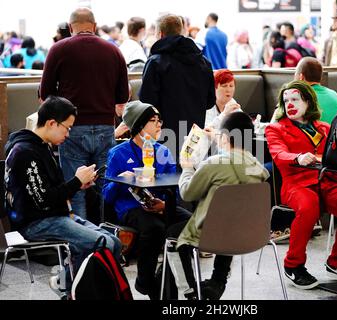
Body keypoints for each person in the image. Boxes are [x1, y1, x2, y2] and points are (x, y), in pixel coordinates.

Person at [4, 96, 121, 299]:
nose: (68, 134)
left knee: (114, 242)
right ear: (51, 123)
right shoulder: (24, 152)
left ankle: (69, 283)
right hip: (37, 222)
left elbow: (53, 191)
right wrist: (75, 182)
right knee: (103, 242)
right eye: (67, 128)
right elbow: (43, 200)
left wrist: (79, 184)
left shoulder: (41, 146)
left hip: (57, 216)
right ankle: (78, 289)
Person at [167, 112, 269, 299]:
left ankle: (190, 291)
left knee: (174, 235)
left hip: (214, 234)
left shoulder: (213, 164)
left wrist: (188, 168)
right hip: (249, 233)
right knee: (230, 217)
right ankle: (218, 281)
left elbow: (187, 193)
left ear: (224, 137)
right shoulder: (258, 168)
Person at [39, 7, 129, 220]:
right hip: (106, 128)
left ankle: (82, 245)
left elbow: (45, 93)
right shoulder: (113, 50)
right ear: (94, 26)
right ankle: (106, 242)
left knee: (75, 188)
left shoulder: (59, 49)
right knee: (105, 188)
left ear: (70, 27)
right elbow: (122, 95)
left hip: (70, 129)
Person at [265, 81, 337, 290]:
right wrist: (298, 157)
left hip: (327, 183)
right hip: (296, 186)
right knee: (309, 207)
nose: (289, 104)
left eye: (295, 99)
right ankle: (293, 264)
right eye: (286, 100)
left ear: (308, 102)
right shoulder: (275, 128)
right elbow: (279, 154)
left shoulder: (324, 127)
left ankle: (336, 262)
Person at [102, 101, 191, 300]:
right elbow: (107, 196)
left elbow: (173, 189)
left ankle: (166, 277)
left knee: (190, 224)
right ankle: (146, 281)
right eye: (153, 121)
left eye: (160, 120)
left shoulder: (163, 152)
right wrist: (120, 181)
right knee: (155, 228)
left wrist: (165, 205)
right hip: (130, 207)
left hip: (160, 206)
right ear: (139, 126)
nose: (159, 125)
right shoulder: (118, 153)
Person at [139, 13, 215, 161]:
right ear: (181, 32)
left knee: (165, 179)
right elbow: (210, 101)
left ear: (160, 34)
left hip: (164, 136)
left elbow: (146, 103)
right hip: (194, 137)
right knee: (190, 177)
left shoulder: (156, 62)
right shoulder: (204, 62)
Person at [293, 57, 337, 124]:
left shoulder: (296, 98)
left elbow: (274, 125)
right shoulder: (334, 94)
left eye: (295, 74)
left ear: (301, 77)